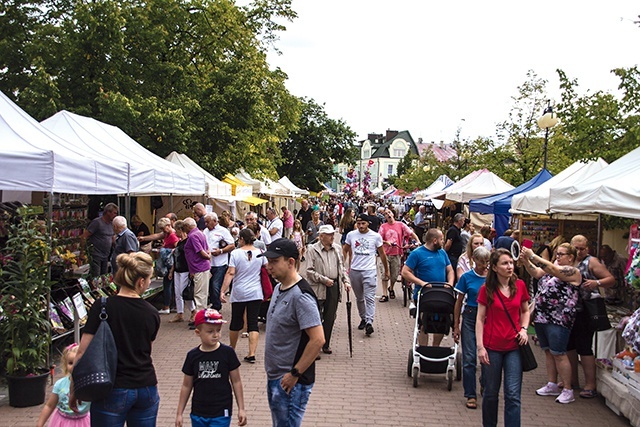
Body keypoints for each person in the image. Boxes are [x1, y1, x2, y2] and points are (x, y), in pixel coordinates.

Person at [70, 252, 161, 425]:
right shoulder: (151, 313)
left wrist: (74, 388)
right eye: (149, 278)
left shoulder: (102, 306)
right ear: (140, 281)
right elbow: (146, 350)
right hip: (145, 386)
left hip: (111, 387)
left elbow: (82, 351)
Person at [260, 238, 324, 427]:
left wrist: (295, 373)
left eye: (273, 262)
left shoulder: (301, 296)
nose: (268, 267)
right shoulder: (280, 287)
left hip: (290, 382)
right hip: (277, 376)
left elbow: (318, 340)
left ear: (290, 262)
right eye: (268, 261)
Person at [521, 244, 582, 404]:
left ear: (571, 257)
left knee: (559, 353)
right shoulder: (552, 268)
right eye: (557, 254)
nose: (558, 257)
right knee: (548, 351)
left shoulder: (573, 272)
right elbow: (537, 273)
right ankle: (552, 383)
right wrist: (526, 261)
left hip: (559, 319)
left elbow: (553, 270)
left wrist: (533, 256)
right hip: (543, 317)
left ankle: (568, 388)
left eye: (562, 254)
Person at [476, 248, 531, 427]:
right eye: (505, 263)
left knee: (513, 394)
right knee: (491, 393)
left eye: (511, 263)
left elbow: (525, 310)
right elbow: (479, 319)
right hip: (492, 347)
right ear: (494, 267)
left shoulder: (520, 285)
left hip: (514, 347)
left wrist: (524, 329)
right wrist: (480, 346)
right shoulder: (487, 289)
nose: (509, 266)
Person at [176, 309, 246, 427]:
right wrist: (179, 413)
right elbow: (186, 385)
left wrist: (241, 408)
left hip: (221, 410)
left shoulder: (227, 353)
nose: (216, 335)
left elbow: (236, 381)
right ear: (198, 332)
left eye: (218, 330)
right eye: (210, 331)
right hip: (198, 411)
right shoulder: (192, 356)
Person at [566, 234, 614, 398]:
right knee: (569, 345)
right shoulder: (570, 260)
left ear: (587, 248)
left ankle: (590, 384)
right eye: (576, 248)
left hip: (586, 309)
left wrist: (596, 283)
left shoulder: (591, 261)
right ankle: (572, 380)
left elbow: (610, 279)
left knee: (584, 346)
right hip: (570, 309)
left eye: (582, 248)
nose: (579, 251)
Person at [401, 228, 454, 346]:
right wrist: (421, 282)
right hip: (424, 293)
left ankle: (435, 348)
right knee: (423, 322)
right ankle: (423, 348)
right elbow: (405, 272)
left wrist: (450, 283)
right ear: (434, 240)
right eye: (441, 239)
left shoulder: (442, 253)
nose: (443, 242)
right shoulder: (417, 253)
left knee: (442, 320)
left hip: (441, 293)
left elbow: (449, 269)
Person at [453, 246, 490, 410]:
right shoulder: (467, 277)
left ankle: (485, 383)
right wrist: (456, 325)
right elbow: (459, 301)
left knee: (489, 357)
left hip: (489, 317)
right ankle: (470, 394)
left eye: (487, 262)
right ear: (474, 260)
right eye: (482, 262)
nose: (485, 265)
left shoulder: (492, 277)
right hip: (470, 315)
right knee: (469, 358)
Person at [220, 228, 266, 363]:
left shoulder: (235, 254)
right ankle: (251, 353)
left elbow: (230, 273)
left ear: (241, 239)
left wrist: (223, 290)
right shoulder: (260, 253)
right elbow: (267, 268)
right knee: (253, 323)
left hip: (239, 292)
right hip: (255, 292)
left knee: (236, 321)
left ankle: (232, 349)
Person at [306, 224, 351, 355]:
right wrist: (324, 280)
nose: (332, 237)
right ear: (321, 236)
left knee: (330, 317)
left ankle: (326, 344)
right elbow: (309, 271)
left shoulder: (337, 249)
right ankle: (314, 347)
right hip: (318, 287)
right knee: (316, 318)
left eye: (333, 234)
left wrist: (346, 282)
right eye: (329, 235)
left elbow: (341, 268)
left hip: (334, 286)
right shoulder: (312, 249)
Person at [345, 214, 389, 337]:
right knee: (359, 298)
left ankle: (369, 322)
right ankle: (363, 318)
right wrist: (345, 263)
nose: (361, 226)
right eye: (358, 223)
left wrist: (386, 269)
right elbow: (345, 248)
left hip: (369, 271)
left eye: (363, 223)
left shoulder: (375, 236)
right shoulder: (351, 235)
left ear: (368, 223)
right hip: (355, 270)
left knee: (369, 298)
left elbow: (382, 253)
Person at [37, 343, 90, 427]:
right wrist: (40, 424)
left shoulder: (90, 385)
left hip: (83, 422)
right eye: (70, 363)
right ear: (65, 364)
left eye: (78, 363)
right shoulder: (60, 384)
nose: (74, 367)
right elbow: (50, 405)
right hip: (61, 422)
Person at [378, 207, 419, 302]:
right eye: (385, 214)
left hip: (396, 253)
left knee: (394, 275)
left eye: (389, 212)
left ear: (393, 214)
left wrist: (418, 241)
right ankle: (384, 294)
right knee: (385, 274)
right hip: (385, 253)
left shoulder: (400, 225)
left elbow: (411, 233)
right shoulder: (383, 226)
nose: (388, 214)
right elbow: (378, 238)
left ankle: (391, 288)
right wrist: (386, 242)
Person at [203, 213, 235, 311]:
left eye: (207, 222)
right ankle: (214, 303)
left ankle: (216, 306)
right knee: (209, 285)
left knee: (215, 285)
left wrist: (220, 251)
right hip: (208, 263)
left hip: (220, 263)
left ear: (214, 221)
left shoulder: (223, 231)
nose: (205, 224)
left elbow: (232, 245)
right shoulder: (205, 231)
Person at [184, 217, 212, 326]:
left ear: (187, 226)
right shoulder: (200, 233)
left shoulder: (192, 236)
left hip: (199, 267)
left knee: (199, 295)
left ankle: (200, 320)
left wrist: (207, 256)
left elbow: (201, 251)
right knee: (202, 294)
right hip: (201, 268)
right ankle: (202, 317)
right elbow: (207, 249)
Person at [168, 220, 196, 323]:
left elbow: (190, 257)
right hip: (177, 270)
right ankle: (180, 313)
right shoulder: (179, 242)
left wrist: (191, 270)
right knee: (177, 292)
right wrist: (172, 270)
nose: (175, 232)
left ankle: (193, 310)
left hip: (185, 270)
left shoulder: (188, 242)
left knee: (184, 292)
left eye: (176, 230)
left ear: (181, 230)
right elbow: (176, 257)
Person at [82, 202, 118, 278]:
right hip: (96, 255)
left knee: (104, 277)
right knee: (96, 277)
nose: (115, 215)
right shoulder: (97, 222)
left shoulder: (111, 224)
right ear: (108, 212)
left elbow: (112, 238)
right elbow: (85, 236)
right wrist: (83, 251)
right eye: (114, 213)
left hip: (106, 255)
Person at [156, 217, 180, 314]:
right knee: (170, 285)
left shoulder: (173, 236)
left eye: (163, 228)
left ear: (168, 226)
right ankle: (172, 305)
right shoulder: (168, 234)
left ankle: (167, 306)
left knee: (167, 285)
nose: (162, 231)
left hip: (170, 264)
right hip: (169, 263)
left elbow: (177, 249)